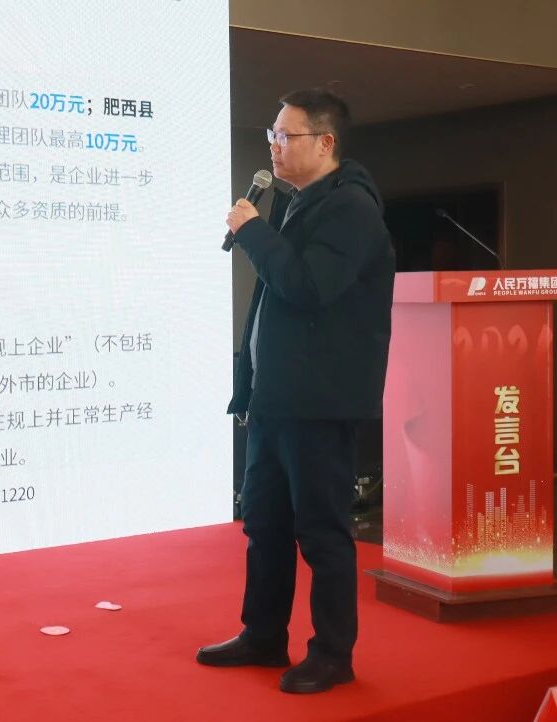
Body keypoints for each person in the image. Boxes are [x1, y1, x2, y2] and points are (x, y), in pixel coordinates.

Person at [196, 88, 395, 694]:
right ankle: (263, 634)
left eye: (286, 136)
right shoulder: (300, 203)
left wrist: (253, 232)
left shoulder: (351, 209)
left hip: (320, 405)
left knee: (322, 533)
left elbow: (308, 287)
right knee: (266, 524)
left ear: (325, 142)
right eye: (272, 135)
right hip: (276, 401)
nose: (275, 147)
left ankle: (333, 655)